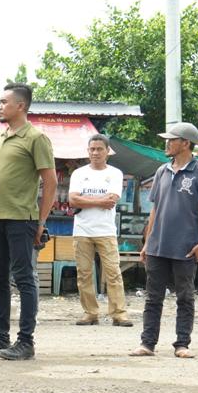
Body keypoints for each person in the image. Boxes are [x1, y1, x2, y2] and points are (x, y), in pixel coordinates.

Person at [0, 83, 56, 361]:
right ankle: (0, 338)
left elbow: (51, 182)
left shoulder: (36, 138)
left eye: (4, 102)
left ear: (20, 106)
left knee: (23, 278)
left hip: (21, 219)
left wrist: (41, 222)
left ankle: (26, 342)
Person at [131, 122, 198, 359]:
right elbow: (155, 208)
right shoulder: (162, 171)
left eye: (172, 139)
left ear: (185, 143)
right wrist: (148, 241)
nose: (167, 143)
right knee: (153, 297)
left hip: (187, 246)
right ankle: (147, 343)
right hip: (158, 244)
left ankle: (182, 344)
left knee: (185, 296)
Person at [69, 134, 132, 327]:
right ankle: (90, 313)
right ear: (88, 151)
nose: (95, 152)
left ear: (107, 151)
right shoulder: (78, 174)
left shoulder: (115, 173)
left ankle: (119, 314)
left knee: (113, 273)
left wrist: (85, 201)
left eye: (99, 149)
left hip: (106, 230)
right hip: (82, 230)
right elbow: (72, 200)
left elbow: (111, 200)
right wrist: (100, 201)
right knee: (84, 274)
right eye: (92, 149)